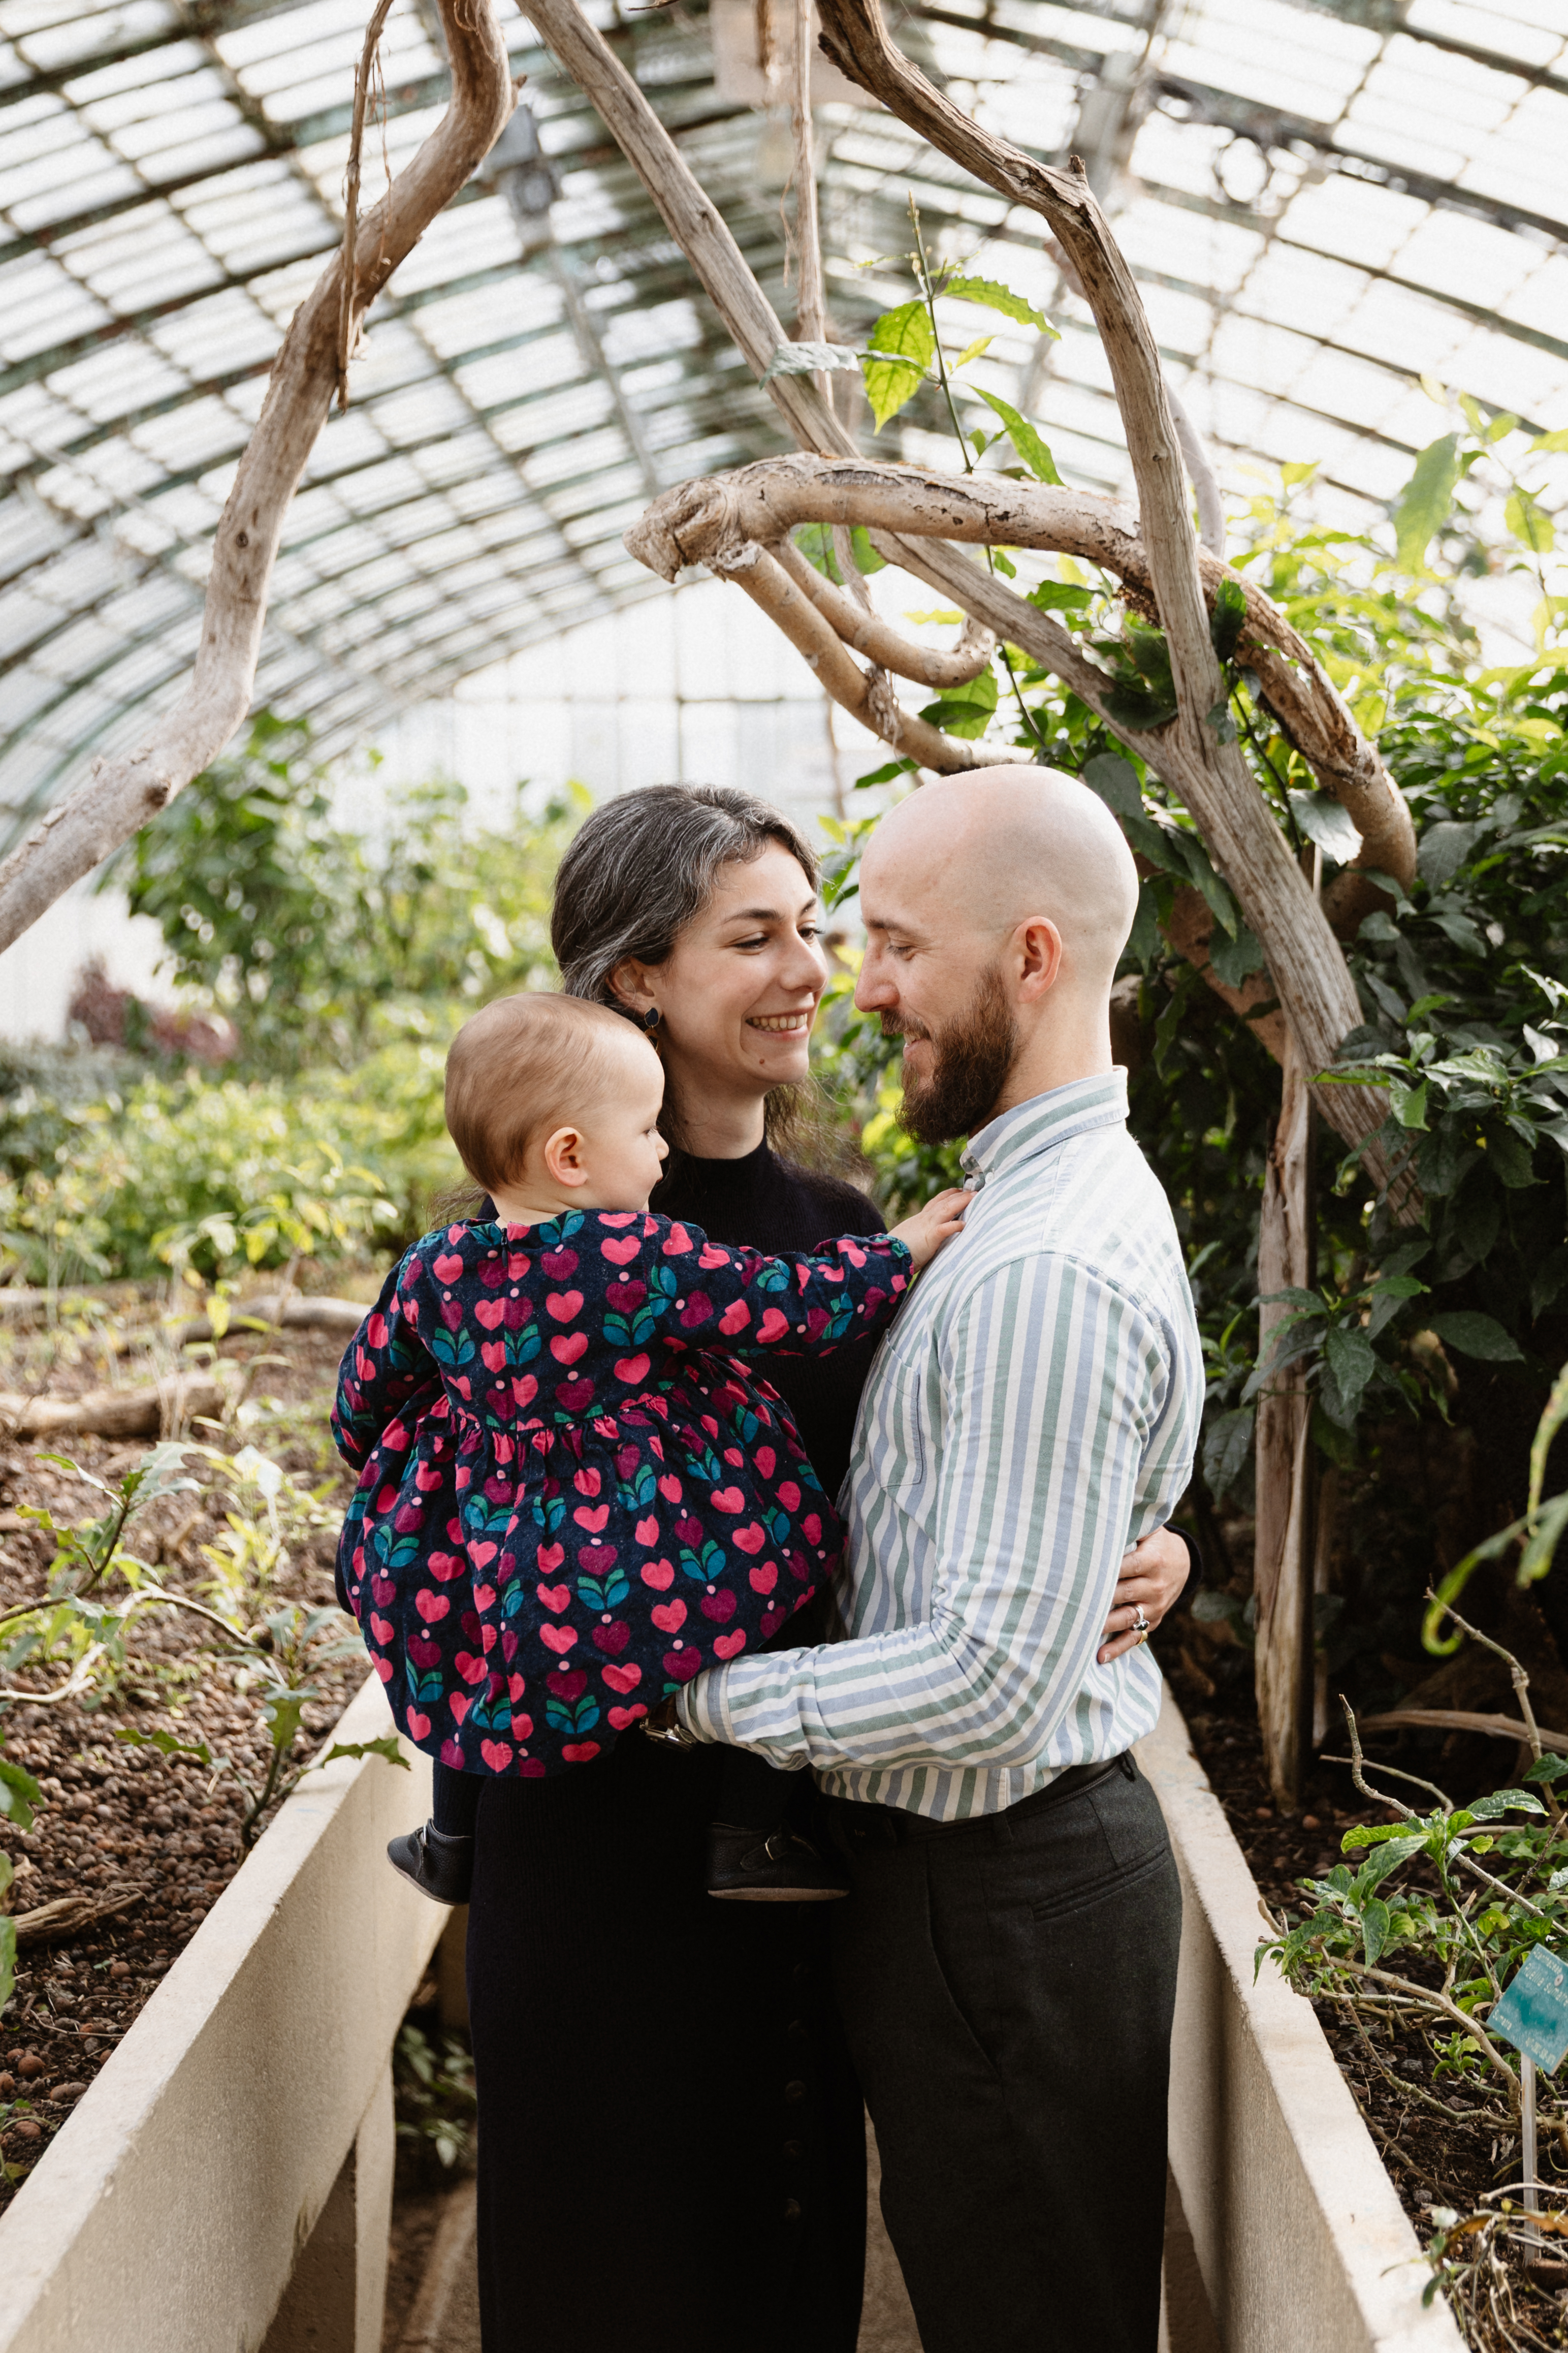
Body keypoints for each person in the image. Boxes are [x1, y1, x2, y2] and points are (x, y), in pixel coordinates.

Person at [458, 785, 1195, 2353]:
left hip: (804, 1850)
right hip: (607, 1857)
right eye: (757, 937)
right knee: (617, 2282)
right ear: (637, 977)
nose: (815, 972)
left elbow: (933, 1502)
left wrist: (1147, 1540)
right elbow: (440, 1558)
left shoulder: (845, 1230)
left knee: (785, 2268)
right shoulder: (522, 1258)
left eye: (825, 929)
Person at [332, 989, 966, 1898]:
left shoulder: (435, 1266)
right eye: (645, 1130)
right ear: (571, 1155)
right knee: (782, 1567)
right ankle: (749, 1832)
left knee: (463, 1639)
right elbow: (782, 1304)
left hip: (493, 1536)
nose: (664, 1147)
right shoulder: (630, 1255)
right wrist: (896, 1252)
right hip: (630, 1535)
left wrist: (382, 1470)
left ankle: (452, 1837)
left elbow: (367, 1384)